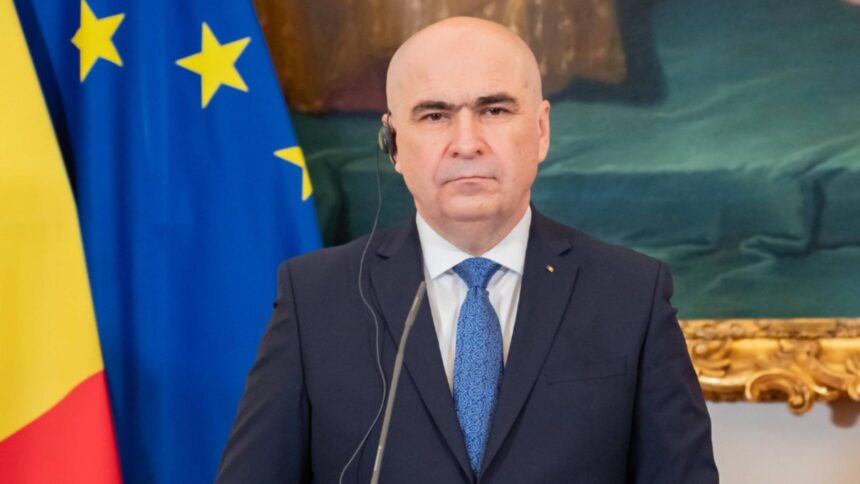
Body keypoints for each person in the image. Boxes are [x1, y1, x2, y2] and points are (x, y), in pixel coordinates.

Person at [217, 17, 718, 483]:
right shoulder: (315, 298)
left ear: (541, 130)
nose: (466, 143)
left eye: (494, 110)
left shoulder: (631, 294)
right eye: (435, 115)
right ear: (393, 143)